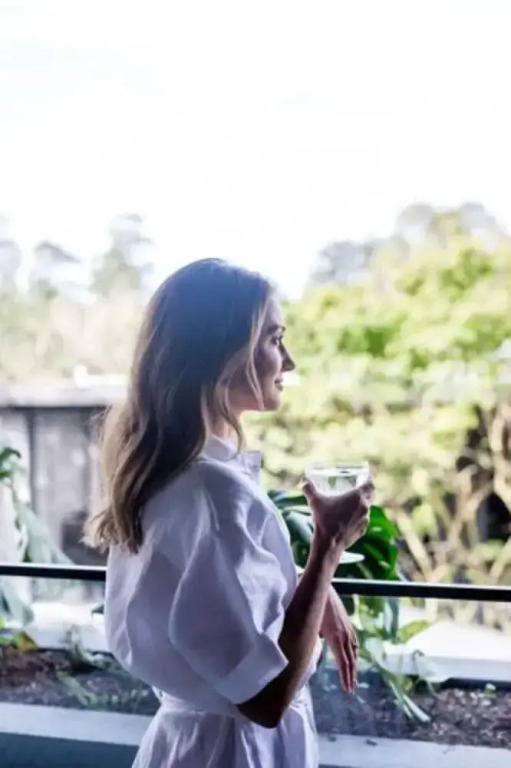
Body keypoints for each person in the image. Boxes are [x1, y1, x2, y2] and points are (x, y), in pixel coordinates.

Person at [85, 259, 373, 768]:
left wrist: (304, 583)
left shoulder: (174, 476)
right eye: (274, 339)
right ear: (223, 354)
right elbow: (266, 699)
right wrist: (328, 546)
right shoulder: (212, 495)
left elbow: (215, 598)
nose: (289, 362)